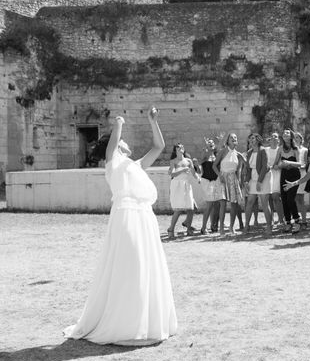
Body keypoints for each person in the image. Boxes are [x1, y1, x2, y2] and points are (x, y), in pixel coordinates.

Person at [64, 107, 177, 345]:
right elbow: (113, 144)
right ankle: (125, 324)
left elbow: (159, 147)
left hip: (145, 217)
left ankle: (144, 322)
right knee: (131, 263)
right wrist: (118, 124)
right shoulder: (113, 163)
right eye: (121, 142)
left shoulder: (135, 165)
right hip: (126, 215)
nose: (124, 143)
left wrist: (152, 121)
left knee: (146, 266)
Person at [213, 133, 246, 235]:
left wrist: (243, 158)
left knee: (234, 204)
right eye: (231, 137)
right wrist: (220, 175)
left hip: (233, 178)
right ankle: (221, 228)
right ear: (227, 141)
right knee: (222, 204)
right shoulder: (223, 151)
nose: (234, 138)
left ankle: (232, 227)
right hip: (223, 177)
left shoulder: (238, 154)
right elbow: (214, 166)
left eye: (235, 137)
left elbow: (241, 168)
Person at [167, 144, 198, 239]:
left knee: (191, 208)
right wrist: (183, 170)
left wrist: (198, 178)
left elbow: (193, 172)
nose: (181, 148)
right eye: (179, 147)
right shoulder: (173, 161)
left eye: (182, 147)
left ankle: (188, 229)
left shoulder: (189, 160)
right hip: (177, 185)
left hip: (186, 185)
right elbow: (171, 173)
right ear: (175, 150)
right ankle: (171, 229)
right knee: (178, 209)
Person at [244, 133, 273, 234]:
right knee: (250, 201)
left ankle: (269, 226)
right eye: (249, 139)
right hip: (253, 178)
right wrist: (246, 181)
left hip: (264, 177)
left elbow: (265, 167)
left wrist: (259, 182)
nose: (251, 141)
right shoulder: (249, 152)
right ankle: (246, 226)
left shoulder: (263, 150)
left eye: (253, 138)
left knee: (264, 202)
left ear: (258, 140)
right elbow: (248, 169)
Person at [277, 129, 303, 232]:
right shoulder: (280, 149)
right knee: (284, 199)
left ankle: (297, 220)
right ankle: (288, 222)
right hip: (284, 174)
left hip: (294, 175)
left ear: (291, 136)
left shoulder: (295, 148)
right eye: (283, 133)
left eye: (287, 133)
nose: (285, 134)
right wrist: (280, 165)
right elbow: (276, 164)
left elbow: (300, 164)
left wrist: (288, 162)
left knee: (290, 199)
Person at [199, 138, 225, 234]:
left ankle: (214, 225)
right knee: (209, 205)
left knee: (217, 205)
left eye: (212, 142)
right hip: (206, 181)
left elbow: (221, 147)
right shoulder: (205, 154)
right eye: (209, 143)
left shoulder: (216, 155)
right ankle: (203, 228)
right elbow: (202, 159)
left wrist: (221, 140)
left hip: (216, 181)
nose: (211, 144)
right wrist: (206, 147)